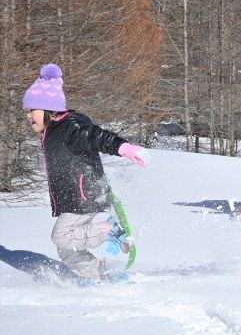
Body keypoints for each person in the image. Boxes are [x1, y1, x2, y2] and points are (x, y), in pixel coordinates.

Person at [23, 64, 150, 281]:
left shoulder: (70, 126)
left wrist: (123, 147)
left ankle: (110, 230)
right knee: (66, 248)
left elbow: (95, 136)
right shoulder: (52, 131)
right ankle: (98, 276)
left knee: (62, 236)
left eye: (31, 110)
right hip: (72, 198)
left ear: (48, 109)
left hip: (84, 194)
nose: (28, 116)